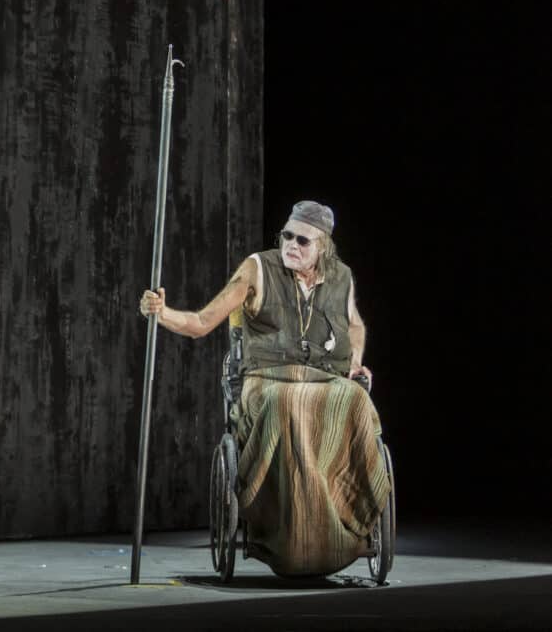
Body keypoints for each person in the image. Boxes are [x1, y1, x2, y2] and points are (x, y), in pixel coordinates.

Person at [139, 199, 388, 577]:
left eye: (302, 240)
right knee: (286, 403)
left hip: (324, 379)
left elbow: (355, 324)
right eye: (286, 235)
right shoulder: (257, 269)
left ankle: (344, 519)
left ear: (323, 246)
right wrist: (162, 313)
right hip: (267, 380)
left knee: (355, 399)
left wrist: (354, 362)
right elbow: (202, 322)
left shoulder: (341, 277)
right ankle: (292, 533)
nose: (291, 245)